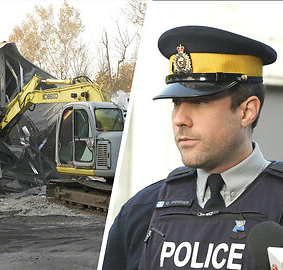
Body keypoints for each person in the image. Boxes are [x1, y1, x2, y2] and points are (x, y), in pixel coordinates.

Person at [103, 25, 282, 270]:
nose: (179, 119)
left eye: (199, 102)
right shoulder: (140, 212)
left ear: (246, 111)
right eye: (177, 102)